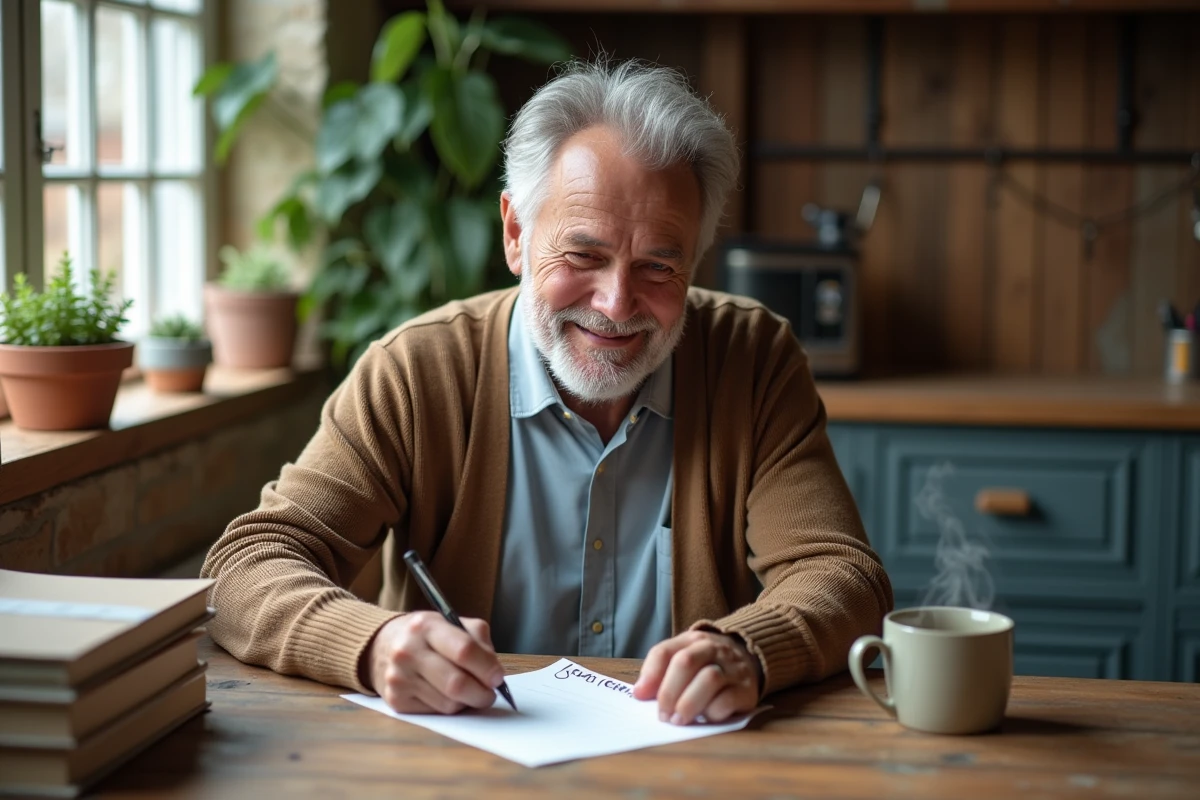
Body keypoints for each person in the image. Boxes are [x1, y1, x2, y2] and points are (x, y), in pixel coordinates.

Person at [201, 59, 893, 728]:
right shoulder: (415, 371)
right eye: (584, 255)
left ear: (695, 259)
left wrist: (748, 649)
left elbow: (842, 575)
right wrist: (374, 645)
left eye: (659, 266)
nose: (616, 304)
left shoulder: (753, 360)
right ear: (515, 234)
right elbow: (245, 566)